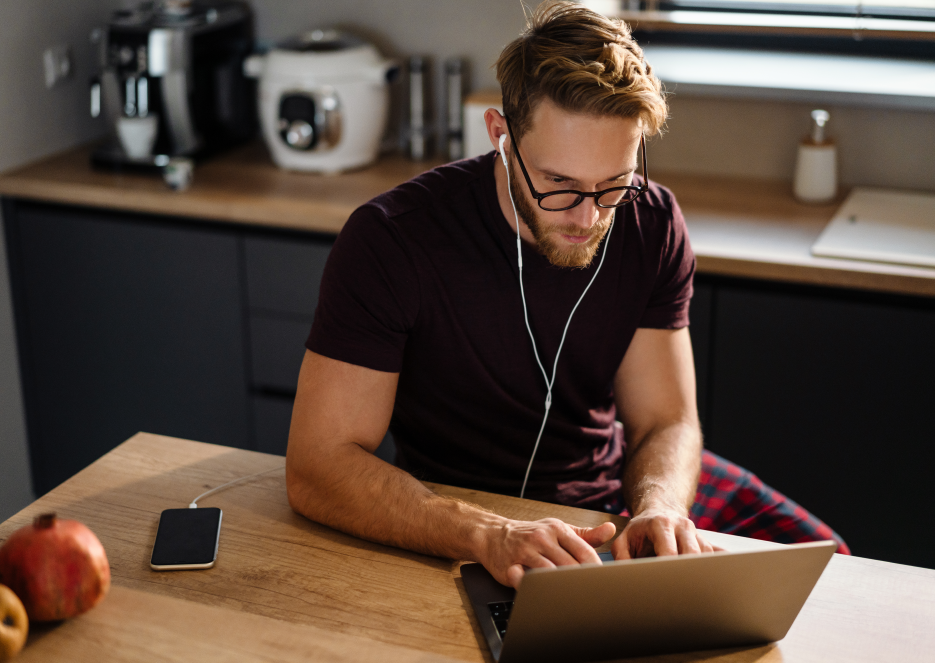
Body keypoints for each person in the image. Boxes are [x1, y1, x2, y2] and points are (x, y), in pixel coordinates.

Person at [285, 1, 848, 589]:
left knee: (834, 574)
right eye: (560, 184)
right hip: (457, 517)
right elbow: (318, 465)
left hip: (612, 506)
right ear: (500, 134)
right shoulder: (391, 240)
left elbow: (666, 420)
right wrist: (486, 532)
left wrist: (660, 506)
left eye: (614, 185)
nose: (588, 216)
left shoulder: (651, 224)